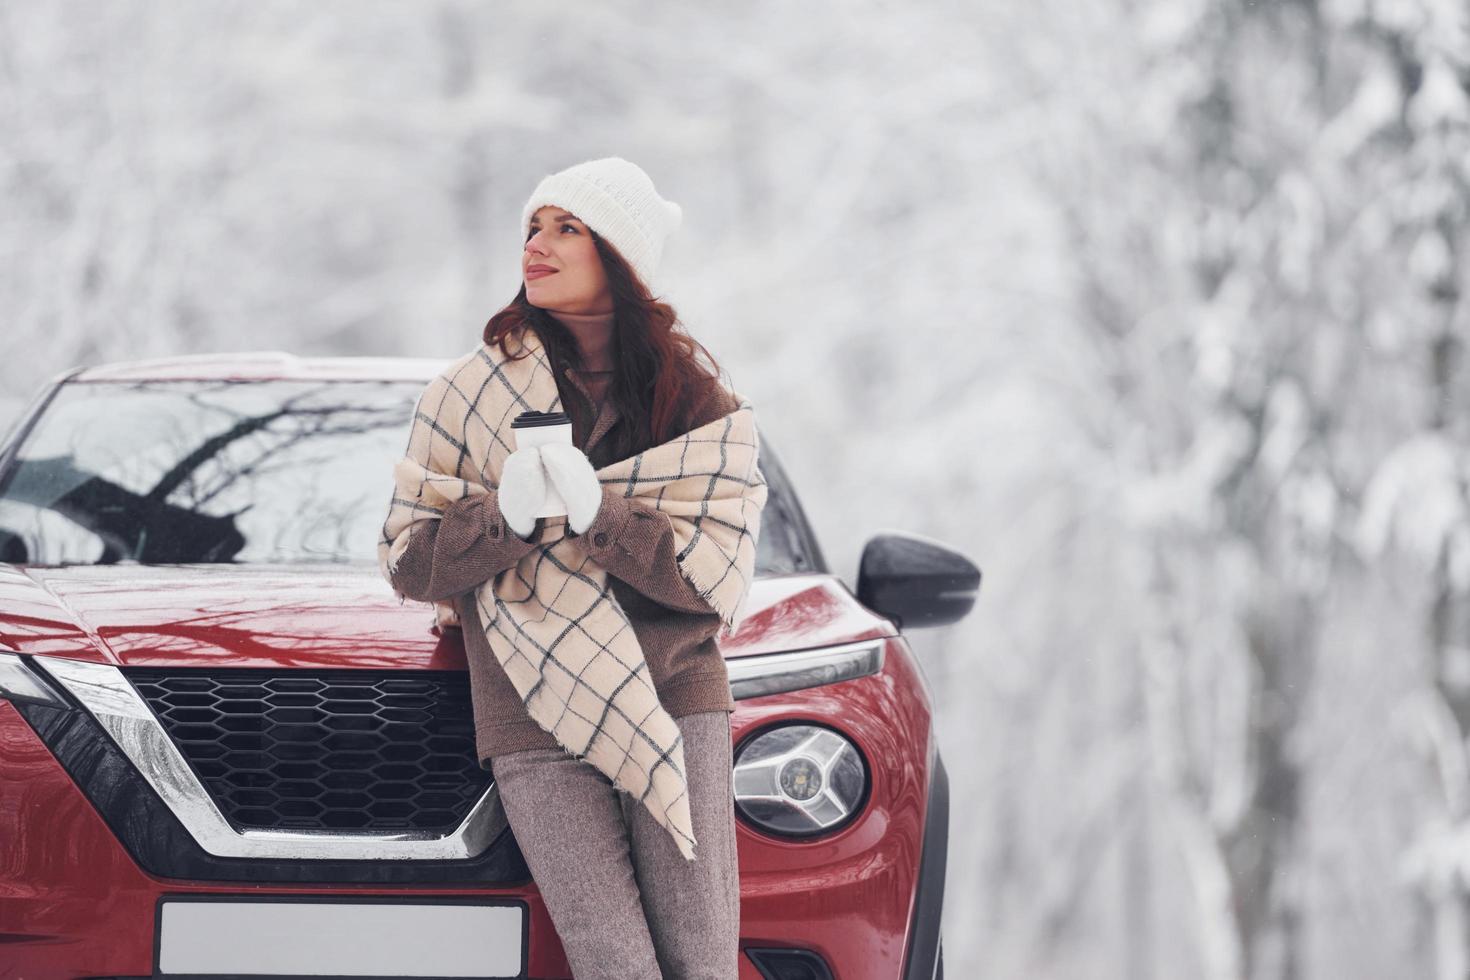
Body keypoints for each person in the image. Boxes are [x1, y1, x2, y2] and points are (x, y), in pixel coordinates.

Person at [385, 157, 747, 979]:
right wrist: (501, 520)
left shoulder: (696, 406)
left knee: (701, 963)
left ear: (618, 255)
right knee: (613, 964)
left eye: (566, 228)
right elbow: (410, 563)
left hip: (673, 699)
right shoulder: (463, 395)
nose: (536, 245)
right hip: (529, 703)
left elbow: (714, 581)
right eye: (531, 227)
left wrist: (602, 515)